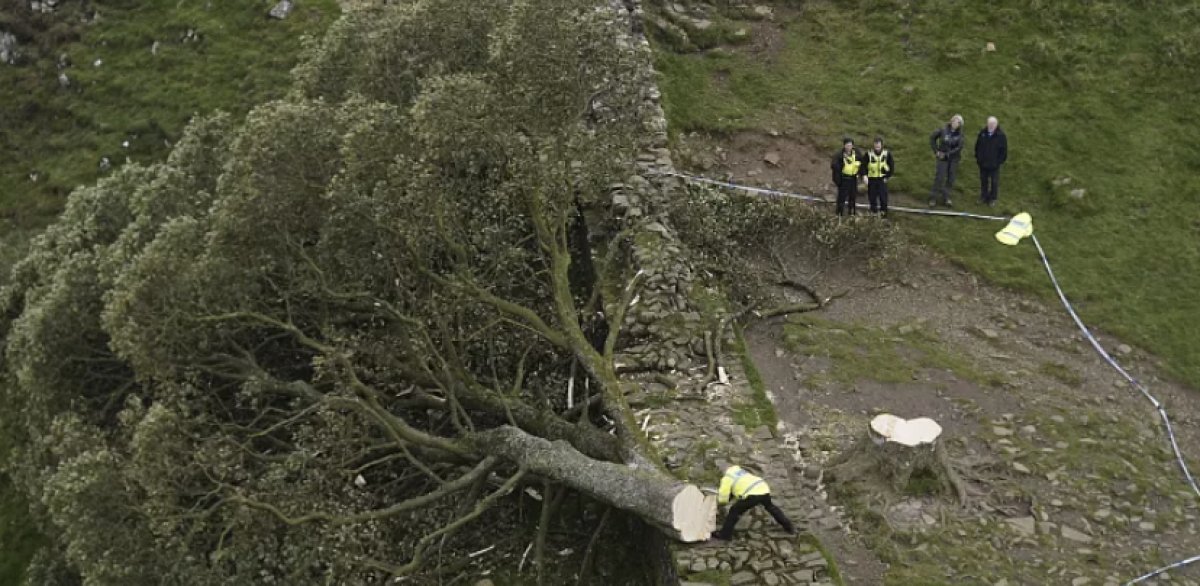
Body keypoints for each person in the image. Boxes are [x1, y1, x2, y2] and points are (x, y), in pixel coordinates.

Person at [710, 465, 795, 541]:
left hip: (752, 494)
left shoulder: (727, 478)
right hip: (763, 488)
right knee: (771, 507)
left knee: (734, 510)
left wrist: (719, 503)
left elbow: (723, 499)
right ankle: (788, 527)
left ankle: (725, 535)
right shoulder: (739, 471)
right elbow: (739, 488)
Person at [928, 114, 965, 207]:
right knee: (940, 177)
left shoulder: (960, 135)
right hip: (942, 158)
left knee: (950, 178)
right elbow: (932, 138)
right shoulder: (943, 130)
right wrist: (936, 151)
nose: (956, 123)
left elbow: (959, 147)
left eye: (958, 122)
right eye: (955, 121)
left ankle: (946, 197)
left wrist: (949, 154)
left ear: (960, 125)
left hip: (953, 159)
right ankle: (933, 198)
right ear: (951, 121)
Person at [974, 116, 1008, 207]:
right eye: (990, 124)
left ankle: (993, 198)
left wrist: (998, 162)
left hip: (994, 165)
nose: (991, 125)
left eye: (993, 124)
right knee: (983, 180)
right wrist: (979, 159)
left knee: (994, 182)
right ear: (987, 124)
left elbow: (1004, 151)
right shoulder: (982, 133)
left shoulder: (1001, 136)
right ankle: (983, 196)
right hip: (983, 163)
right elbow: (977, 147)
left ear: (996, 125)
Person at [830, 137, 866, 216]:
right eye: (847, 145)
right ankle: (839, 215)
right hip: (844, 179)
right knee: (841, 199)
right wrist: (838, 181)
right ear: (844, 145)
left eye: (850, 145)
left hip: (853, 179)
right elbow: (834, 166)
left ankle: (851, 215)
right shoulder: (839, 155)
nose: (849, 147)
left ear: (852, 145)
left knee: (852, 198)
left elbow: (862, 165)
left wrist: (863, 175)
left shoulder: (857, 153)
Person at [865, 136, 895, 215]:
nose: (877, 147)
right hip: (872, 179)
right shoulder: (868, 154)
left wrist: (887, 177)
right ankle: (873, 215)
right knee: (872, 198)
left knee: (883, 199)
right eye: (875, 145)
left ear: (881, 145)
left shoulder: (887, 154)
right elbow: (863, 166)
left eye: (878, 145)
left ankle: (883, 216)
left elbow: (892, 166)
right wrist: (864, 176)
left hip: (882, 179)